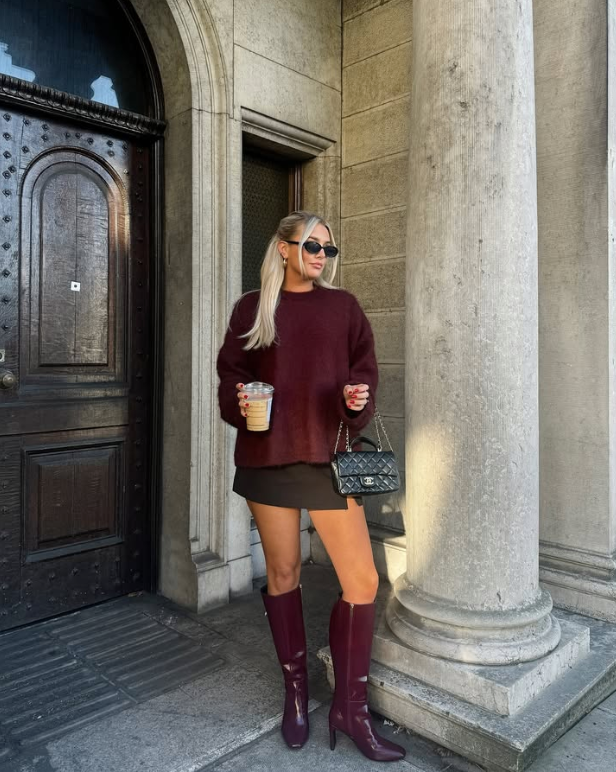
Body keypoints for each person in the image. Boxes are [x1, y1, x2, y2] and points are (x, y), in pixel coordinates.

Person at [216, 211, 405, 762]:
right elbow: (230, 374)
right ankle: (296, 695)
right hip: (268, 456)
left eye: (329, 248)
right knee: (283, 572)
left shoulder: (342, 306)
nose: (321, 256)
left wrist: (358, 396)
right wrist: (241, 401)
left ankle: (350, 708)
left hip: (329, 456)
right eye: (312, 245)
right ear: (282, 247)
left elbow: (364, 369)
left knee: (362, 580)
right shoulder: (253, 308)